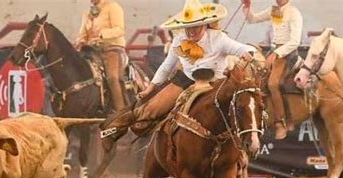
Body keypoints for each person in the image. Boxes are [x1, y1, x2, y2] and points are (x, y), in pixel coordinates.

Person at [101, 0, 255, 133]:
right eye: (188, 27)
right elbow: (166, 67)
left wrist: (247, 54)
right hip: (185, 81)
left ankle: (242, 153)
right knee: (150, 110)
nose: (191, 31)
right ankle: (115, 128)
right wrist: (150, 88)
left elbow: (245, 49)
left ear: (204, 25)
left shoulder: (219, 38)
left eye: (196, 27)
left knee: (241, 115)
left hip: (216, 85)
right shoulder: (179, 40)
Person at [243, 0, 303, 139]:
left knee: (273, 83)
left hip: (288, 54)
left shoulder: (294, 13)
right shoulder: (273, 10)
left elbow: (295, 41)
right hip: (274, 52)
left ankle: (281, 122)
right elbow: (252, 19)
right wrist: (247, 8)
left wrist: (277, 53)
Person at [75, 0, 127, 112]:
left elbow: (120, 30)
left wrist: (101, 34)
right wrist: (80, 41)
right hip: (91, 51)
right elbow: (82, 34)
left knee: (112, 78)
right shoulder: (87, 14)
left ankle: (121, 112)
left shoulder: (113, 7)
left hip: (111, 49)